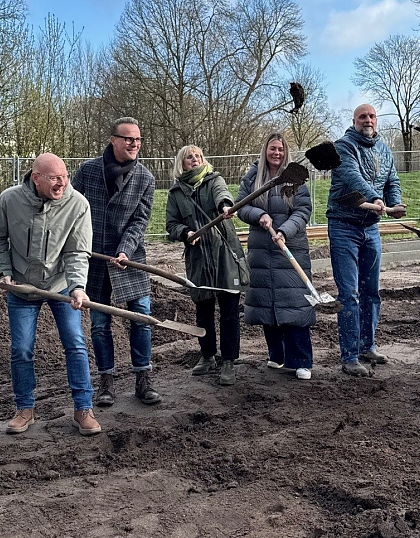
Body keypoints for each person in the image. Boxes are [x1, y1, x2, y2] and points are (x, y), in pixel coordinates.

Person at [0, 153, 101, 436]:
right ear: (35, 178)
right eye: (54, 177)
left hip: (60, 284)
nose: (61, 182)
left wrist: (77, 286)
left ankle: (83, 408)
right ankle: (24, 409)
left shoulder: (77, 205)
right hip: (22, 287)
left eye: (64, 176)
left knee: (75, 344)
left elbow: (77, 252)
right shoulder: (10, 200)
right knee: (21, 349)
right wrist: (4, 272)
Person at [72, 117, 160, 406]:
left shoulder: (146, 178)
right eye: (128, 139)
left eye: (138, 139)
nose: (134, 144)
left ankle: (143, 379)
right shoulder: (87, 171)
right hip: (94, 259)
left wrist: (125, 249)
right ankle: (106, 381)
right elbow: (72, 210)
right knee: (99, 323)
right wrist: (78, 246)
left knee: (142, 318)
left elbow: (139, 221)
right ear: (113, 140)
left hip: (130, 258)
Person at [326, 104, 406, 377]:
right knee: (349, 293)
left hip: (371, 228)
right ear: (354, 120)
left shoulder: (384, 149)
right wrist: (375, 197)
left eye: (372, 117)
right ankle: (349, 356)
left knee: (371, 291)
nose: (368, 120)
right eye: (363, 117)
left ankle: (366, 345)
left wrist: (395, 203)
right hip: (343, 226)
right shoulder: (343, 147)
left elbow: (392, 180)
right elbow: (351, 176)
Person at [165, 145, 249, 385]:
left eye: (198, 156)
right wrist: (186, 232)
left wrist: (225, 206)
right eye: (190, 157)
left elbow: (222, 194)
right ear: (181, 162)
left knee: (230, 312)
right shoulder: (176, 193)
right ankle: (207, 355)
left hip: (224, 253)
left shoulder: (214, 180)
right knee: (203, 311)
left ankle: (229, 361)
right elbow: (171, 225)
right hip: (198, 257)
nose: (195, 160)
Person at [237, 133, 314, 380]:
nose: (276, 153)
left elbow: (303, 211)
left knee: (294, 304)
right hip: (261, 249)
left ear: (285, 151)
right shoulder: (253, 175)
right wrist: (258, 214)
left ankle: (301, 360)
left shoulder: (295, 178)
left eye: (280, 149)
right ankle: (277, 355)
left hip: (290, 247)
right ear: (265, 150)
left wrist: (284, 230)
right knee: (266, 305)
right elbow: (241, 205)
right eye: (272, 148)